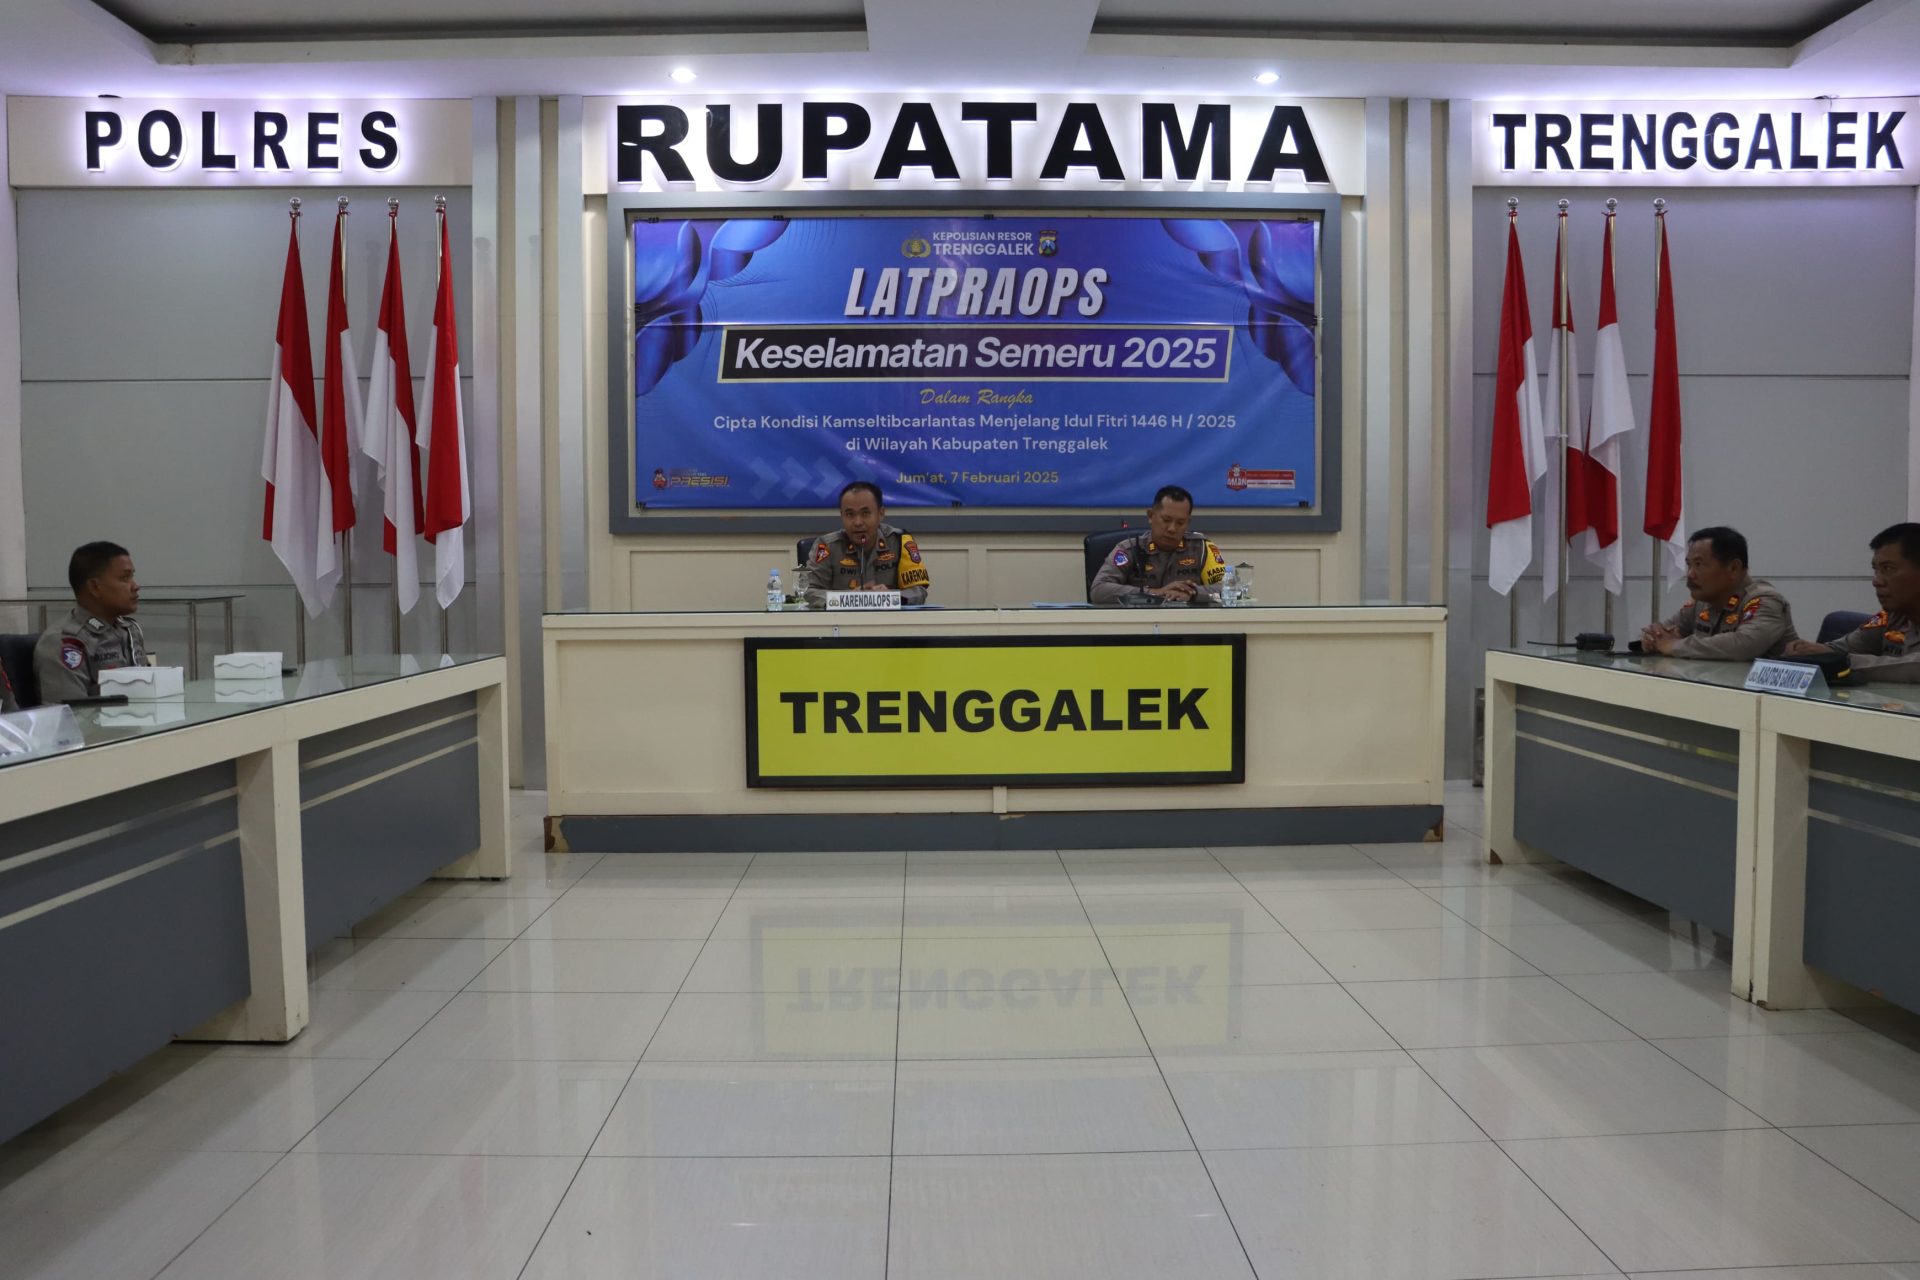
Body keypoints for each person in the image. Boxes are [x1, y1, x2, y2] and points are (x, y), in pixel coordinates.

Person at [1785, 522, 1920, 682]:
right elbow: (1845, 648)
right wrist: (1811, 651)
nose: (1876, 581)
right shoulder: (1893, 617)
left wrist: (1839, 662)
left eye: (1888, 569)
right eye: (1876, 570)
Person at [1639, 526, 1798, 660]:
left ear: (1733, 568)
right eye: (1689, 565)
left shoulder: (1765, 600)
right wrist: (1652, 639)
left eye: (1699, 564)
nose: (1690, 574)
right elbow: (1663, 633)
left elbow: (1742, 645)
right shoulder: (1701, 602)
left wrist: (1676, 646)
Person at [34, 541, 149, 703]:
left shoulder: (130, 630)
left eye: (132, 576)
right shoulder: (65, 642)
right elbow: (70, 713)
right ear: (95, 587)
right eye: (125, 578)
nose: (135, 586)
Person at [1090, 485, 1228, 606]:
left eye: (1180, 523)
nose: (1172, 528)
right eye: (1166, 520)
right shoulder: (1129, 549)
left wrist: (1193, 593)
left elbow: (1231, 590)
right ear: (1151, 516)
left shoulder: (1202, 548)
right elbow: (1098, 590)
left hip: (1188, 624)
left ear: (1188, 523)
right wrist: (1154, 593)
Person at [803, 481, 930, 607]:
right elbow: (809, 590)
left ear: (881, 514)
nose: (858, 522)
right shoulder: (827, 546)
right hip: (841, 619)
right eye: (850, 514)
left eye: (865, 513)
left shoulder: (900, 542)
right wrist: (849, 599)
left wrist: (891, 597)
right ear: (842, 516)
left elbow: (918, 591)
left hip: (889, 618)